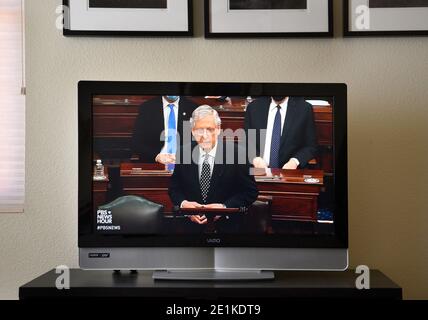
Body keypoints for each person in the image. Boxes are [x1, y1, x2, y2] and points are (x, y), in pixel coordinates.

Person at [168, 105, 258, 232]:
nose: (205, 135)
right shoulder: (184, 152)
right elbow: (174, 188)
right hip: (191, 228)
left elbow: (250, 192)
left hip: (227, 227)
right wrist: (185, 205)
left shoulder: (239, 154)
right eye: (199, 130)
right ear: (193, 131)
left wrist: (224, 207)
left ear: (218, 129)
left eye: (210, 129)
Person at [244, 96, 317, 169]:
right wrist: (256, 158)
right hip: (258, 169)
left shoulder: (304, 109)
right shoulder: (254, 107)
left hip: (290, 172)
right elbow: (247, 141)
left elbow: (310, 146)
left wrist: (295, 161)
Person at [131, 96, 198, 164]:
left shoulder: (192, 108)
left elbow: (198, 142)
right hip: (155, 163)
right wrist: (157, 156)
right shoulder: (147, 107)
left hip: (185, 162)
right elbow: (136, 143)